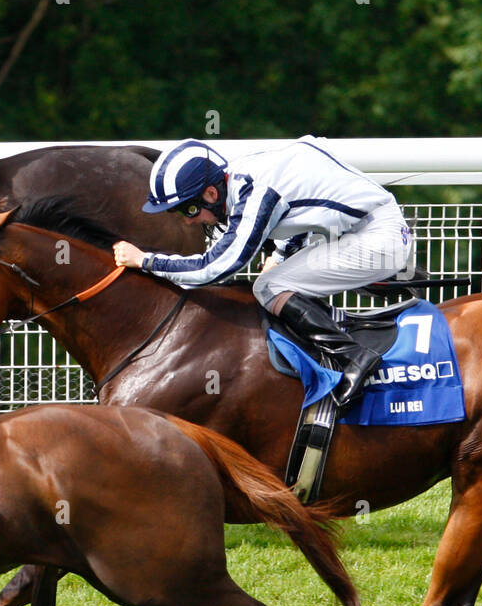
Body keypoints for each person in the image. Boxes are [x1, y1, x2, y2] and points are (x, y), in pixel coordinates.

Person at [110, 137, 414, 406]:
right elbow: (303, 212)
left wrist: (147, 261)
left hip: (375, 238)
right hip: (360, 230)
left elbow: (216, 267)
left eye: (188, 209)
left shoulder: (255, 190)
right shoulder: (244, 176)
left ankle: (353, 357)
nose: (189, 221)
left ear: (212, 194)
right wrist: (281, 254)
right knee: (276, 280)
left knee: (268, 287)